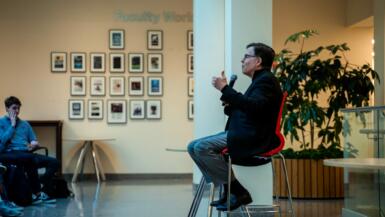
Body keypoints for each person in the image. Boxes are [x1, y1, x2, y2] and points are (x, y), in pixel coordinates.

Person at [187, 42, 283, 211]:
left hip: (253, 136)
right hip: (244, 132)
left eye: (246, 56)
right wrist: (228, 98)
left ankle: (237, 191)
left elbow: (254, 108)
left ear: (258, 61)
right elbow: (247, 109)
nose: (242, 60)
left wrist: (225, 89)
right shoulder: (260, 81)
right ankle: (229, 191)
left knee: (201, 147)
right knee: (193, 146)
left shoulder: (266, 81)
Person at [0, 96, 59, 204]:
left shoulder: (25, 124)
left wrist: (34, 143)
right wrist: (12, 126)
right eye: (14, 108)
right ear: (7, 109)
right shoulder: (1, 123)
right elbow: (2, 142)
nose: (17, 111)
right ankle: (37, 193)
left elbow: (33, 140)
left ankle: (41, 187)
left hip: (27, 153)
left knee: (54, 162)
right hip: (11, 153)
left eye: (18, 108)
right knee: (29, 159)